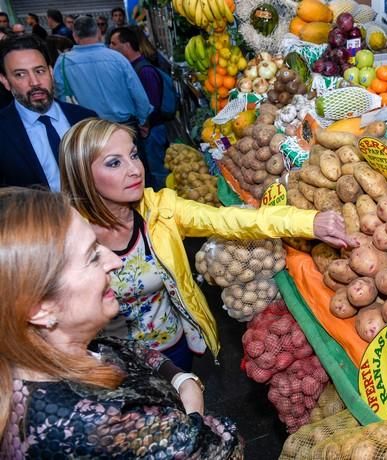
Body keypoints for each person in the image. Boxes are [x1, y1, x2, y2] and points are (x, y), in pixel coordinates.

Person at [60, 118, 355, 370]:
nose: (135, 169)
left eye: (134, 155)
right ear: (82, 174)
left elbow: (230, 220)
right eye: (114, 163)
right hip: (106, 360)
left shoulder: (160, 209)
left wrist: (308, 222)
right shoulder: (65, 237)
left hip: (172, 346)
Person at [0, 187, 243, 457]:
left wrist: (180, 377)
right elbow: (223, 445)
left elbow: (122, 350)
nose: (115, 262)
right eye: (92, 256)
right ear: (40, 309)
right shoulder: (91, 424)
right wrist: (191, 403)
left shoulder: (44, 353)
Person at [0, 34, 95, 190]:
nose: (35, 82)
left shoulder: (86, 118)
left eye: (39, 71)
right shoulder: (3, 131)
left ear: (50, 71)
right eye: (20, 74)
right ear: (5, 80)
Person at [54, 16, 152, 138]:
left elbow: (62, 98)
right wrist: (143, 121)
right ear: (99, 33)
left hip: (90, 131)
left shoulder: (63, 62)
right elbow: (138, 94)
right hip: (124, 127)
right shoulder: (117, 58)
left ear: (75, 36)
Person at [110, 26, 169, 190]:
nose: (111, 48)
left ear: (127, 45)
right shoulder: (132, 68)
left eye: (114, 44)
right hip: (148, 129)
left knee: (158, 172)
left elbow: (153, 104)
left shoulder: (144, 70)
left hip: (153, 130)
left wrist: (145, 124)